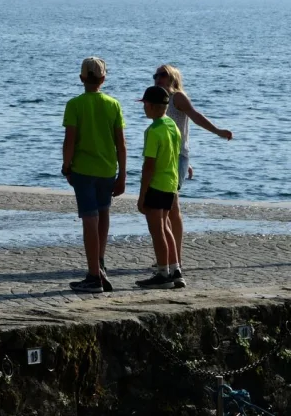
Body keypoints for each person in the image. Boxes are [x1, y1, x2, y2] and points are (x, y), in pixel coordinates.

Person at [153, 64, 233, 271]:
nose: (157, 79)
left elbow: (195, 117)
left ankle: (175, 259)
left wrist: (217, 131)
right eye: (156, 75)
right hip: (168, 156)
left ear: (172, 78)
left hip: (177, 156)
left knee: (171, 208)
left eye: (163, 75)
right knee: (166, 208)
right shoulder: (159, 101)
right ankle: (170, 257)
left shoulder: (177, 97)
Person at [62, 57, 126, 294]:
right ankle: (99, 261)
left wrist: (66, 166)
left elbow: (70, 140)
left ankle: (93, 276)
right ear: (103, 78)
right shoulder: (113, 105)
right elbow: (121, 144)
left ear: (81, 78)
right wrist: (123, 174)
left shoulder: (75, 105)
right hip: (108, 169)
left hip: (83, 170)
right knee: (103, 214)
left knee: (89, 219)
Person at [135, 85, 183, 290]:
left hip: (156, 184)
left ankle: (163, 273)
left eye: (145, 104)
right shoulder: (171, 124)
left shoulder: (153, 131)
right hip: (171, 183)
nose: (143, 108)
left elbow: (149, 165)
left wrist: (142, 194)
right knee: (166, 227)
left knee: (157, 231)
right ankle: (176, 269)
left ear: (153, 106)